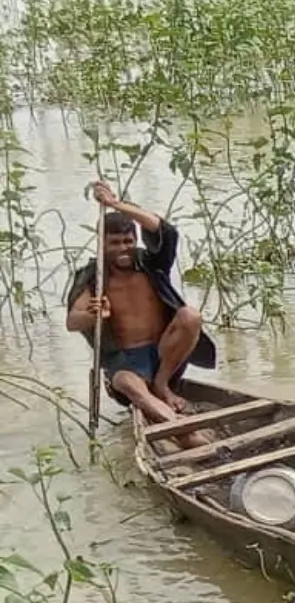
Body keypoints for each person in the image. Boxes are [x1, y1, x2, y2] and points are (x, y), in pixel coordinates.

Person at [63, 179, 218, 424]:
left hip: (165, 354)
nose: (123, 248)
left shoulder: (149, 263)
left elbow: (165, 231)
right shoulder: (94, 276)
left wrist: (116, 204)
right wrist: (93, 316)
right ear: (102, 243)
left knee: (191, 316)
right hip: (126, 361)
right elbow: (72, 321)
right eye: (115, 243)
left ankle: (161, 384)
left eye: (128, 241)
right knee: (125, 382)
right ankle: (184, 431)